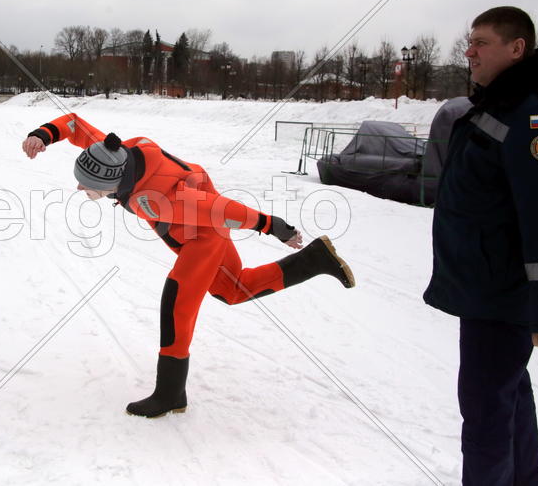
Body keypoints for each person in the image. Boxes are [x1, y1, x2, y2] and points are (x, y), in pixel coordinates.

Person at [23, 114, 355, 417]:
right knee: (232, 289)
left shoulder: (152, 199)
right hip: (197, 224)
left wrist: (272, 225)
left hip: (203, 236)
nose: (80, 187)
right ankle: (315, 260)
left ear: (111, 183)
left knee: (176, 304)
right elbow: (75, 126)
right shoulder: (116, 153)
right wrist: (43, 135)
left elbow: (218, 208)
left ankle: (169, 394)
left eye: (87, 185)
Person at [423, 6, 538, 485]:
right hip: (489, 288)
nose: (470, 51)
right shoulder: (504, 104)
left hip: (502, 294)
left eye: (481, 42)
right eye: (470, 41)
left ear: (516, 48)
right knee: (508, 398)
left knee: (485, 414)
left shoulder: (536, 117)